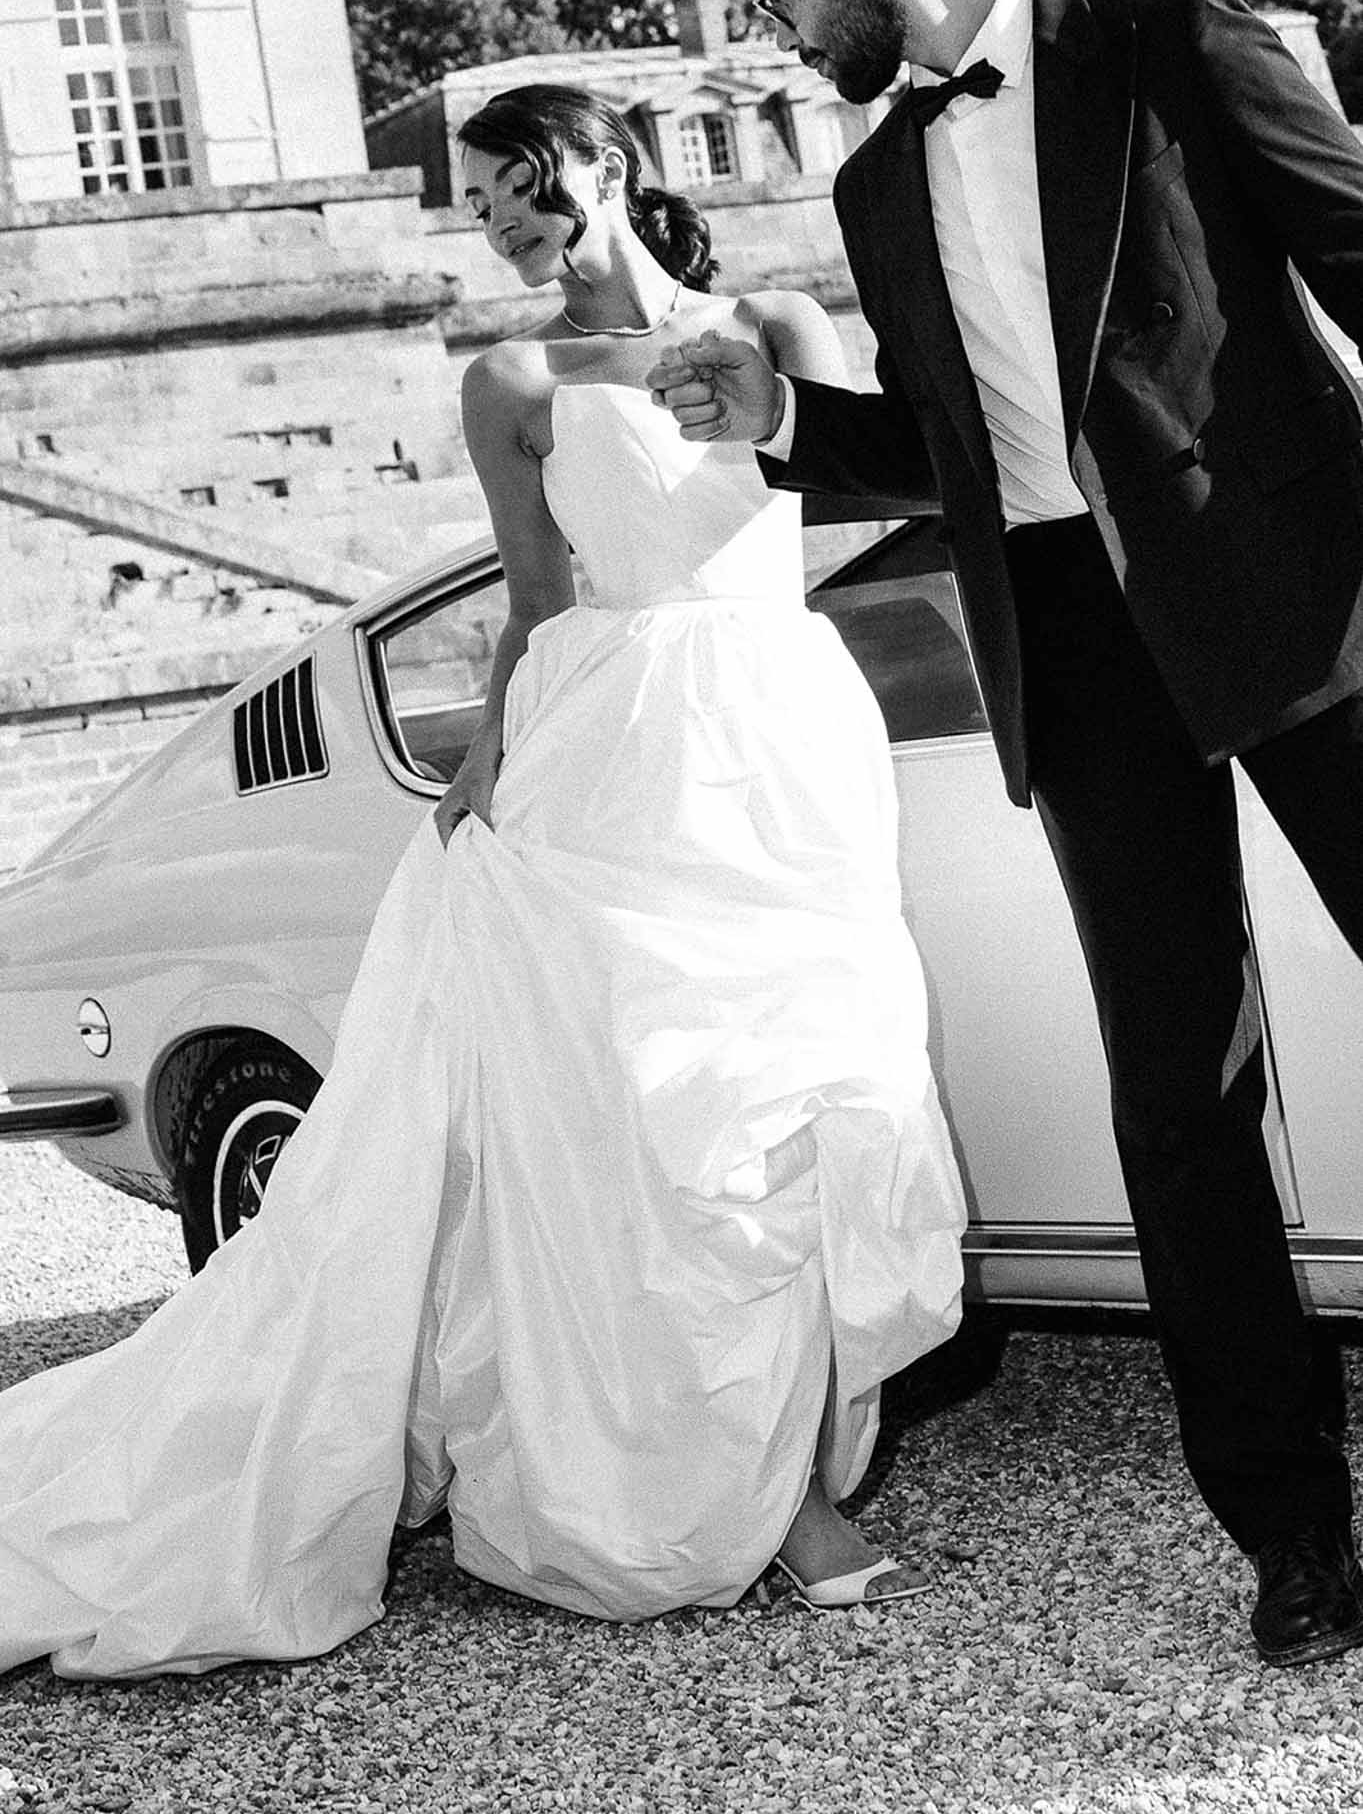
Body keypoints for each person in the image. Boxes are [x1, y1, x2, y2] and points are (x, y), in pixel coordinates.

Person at [0, 83, 966, 1680]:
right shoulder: (512, 379)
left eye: (532, 183)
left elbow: (886, 488)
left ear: (615, 167)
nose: (515, 223)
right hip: (610, 763)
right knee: (656, 1125)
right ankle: (746, 1496)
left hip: (786, 747)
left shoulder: (780, 319)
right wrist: (483, 766)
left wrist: (770, 406)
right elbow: (535, 602)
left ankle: (788, 1467)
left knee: (813, 1090)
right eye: (487, 206)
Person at [647, 0, 1363, 1670]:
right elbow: (951, 456)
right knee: (1183, 1101)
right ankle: (1294, 1537)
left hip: (1306, 609)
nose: (779, 38)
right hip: (1072, 649)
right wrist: (785, 425)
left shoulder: (1168, 36)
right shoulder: (878, 179)